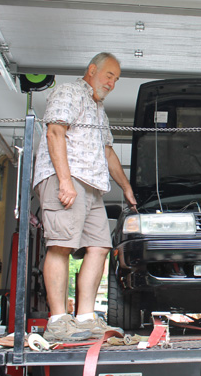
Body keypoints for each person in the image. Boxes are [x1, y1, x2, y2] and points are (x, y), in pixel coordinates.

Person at [33, 52, 137, 342]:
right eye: (109, 76)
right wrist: (65, 182)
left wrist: (126, 188)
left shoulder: (98, 109)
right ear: (92, 70)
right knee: (61, 245)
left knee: (101, 246)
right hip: (66, 179)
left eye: (116, 79)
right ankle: (57, 320)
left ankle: (85, 318)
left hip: (93, 186)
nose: (112, 83)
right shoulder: (68, 92)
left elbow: (107, 152)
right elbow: (55, 132)